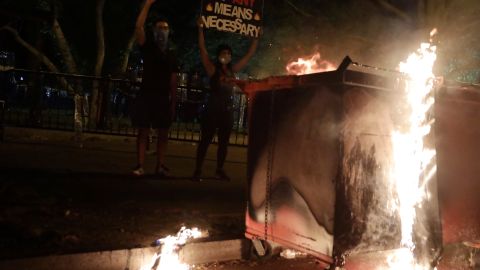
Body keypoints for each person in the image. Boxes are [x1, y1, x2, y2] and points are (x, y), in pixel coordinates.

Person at [193, 19, 259, 181]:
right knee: (206, 140)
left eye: (229, 54)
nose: (226, 56)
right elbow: (202, 50)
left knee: (224, 142)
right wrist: (201, 29)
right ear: (218, 55)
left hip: (227, 110)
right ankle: (197, 170)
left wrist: (256, 38)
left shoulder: (232, 70)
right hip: (213, 109)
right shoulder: (212, 69)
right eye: (224, 53)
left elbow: (248, 56)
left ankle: (219, 169)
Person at [131, 0, 178, 177]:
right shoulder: (148, 46)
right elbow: (138, 27)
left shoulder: (172, 54)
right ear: (154, 30)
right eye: (159, 27)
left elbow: (173, 80)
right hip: (146, 95)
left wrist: (173, 101)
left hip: (162, 98)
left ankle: (160, 165)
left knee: (163, 133)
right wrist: (148, 5)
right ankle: (140, 165)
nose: (162, 31)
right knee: (143, 130)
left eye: (165, 28)